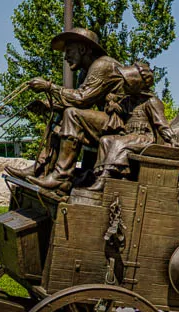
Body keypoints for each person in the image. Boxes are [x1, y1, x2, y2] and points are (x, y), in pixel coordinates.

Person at [18, 28, 120, 192]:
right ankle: (42, 166)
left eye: (69, 51)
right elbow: (77, 101)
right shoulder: (85, 72)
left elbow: (81, 99)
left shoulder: (103, 65)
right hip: (107, 123)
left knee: (72, 114)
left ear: (82, 49)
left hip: (121, 126)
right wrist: (48, 105)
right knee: (63, 111)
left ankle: (61, 177)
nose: (66, 57)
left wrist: (49, 87)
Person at [96, 61, 170, 179]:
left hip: (145, 138)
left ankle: (106, 177)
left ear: (136, 84)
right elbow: (118, 113)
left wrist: (171, 140)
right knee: (105, 140)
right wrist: (111, 104)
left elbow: (162, 124)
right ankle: (103, 175)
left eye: (127, 83)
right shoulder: (127, 101)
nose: (123, 85)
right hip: (129, 135)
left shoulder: (151, 101)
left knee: (120, 142)